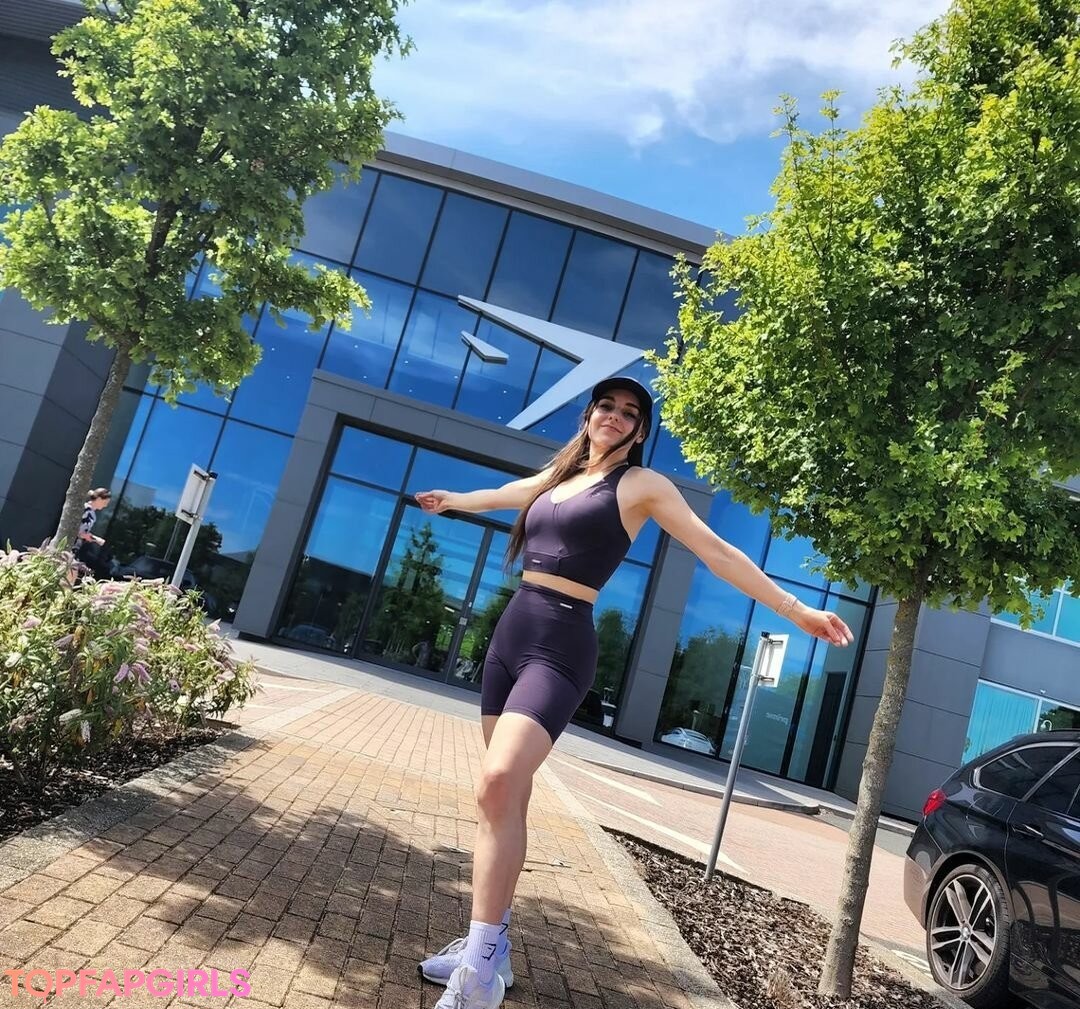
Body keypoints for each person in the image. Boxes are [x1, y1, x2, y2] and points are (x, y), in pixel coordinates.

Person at [413, 376, 854, 1009]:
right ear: (589, 414)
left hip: (561, 645)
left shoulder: (641, 485)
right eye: (606, 406)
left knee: (497, 782)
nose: (615, 416)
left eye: (630, 412)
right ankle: (491, 948)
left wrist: (794, 609)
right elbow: (509, 493)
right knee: (504, 799)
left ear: (641, 429)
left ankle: (480, 976)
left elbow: (716, 551)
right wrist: (453, 500)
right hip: (511, 635)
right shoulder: (561, 474)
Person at [75, 487, 111, 558]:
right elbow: (80, 532)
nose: (105, 505)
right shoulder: (87, 511)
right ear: (99, 499)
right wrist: (96, 539)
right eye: (105, 503)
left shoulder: (90, 512)